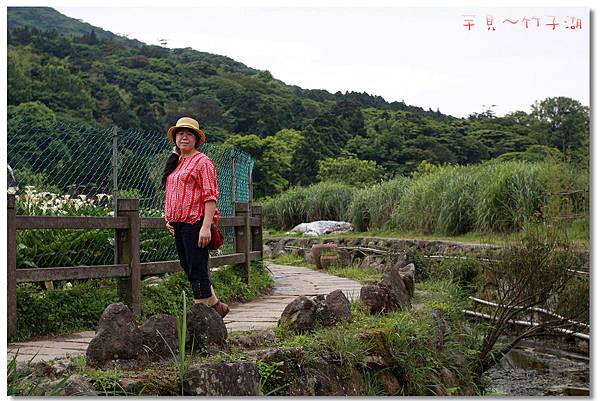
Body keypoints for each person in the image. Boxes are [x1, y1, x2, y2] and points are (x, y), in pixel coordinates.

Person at [162, 116, 229, 318]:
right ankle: (216, 307)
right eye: (180, 133)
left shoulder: (202, 162)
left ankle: (200, 313)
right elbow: (171, 192)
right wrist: (168, 218)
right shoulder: (176, 162)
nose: (184, 137)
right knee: (188, 266)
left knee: (197, 267)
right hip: (178, 224)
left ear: (196, 139)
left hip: (195, 223)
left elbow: (210, 196)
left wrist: (206, 227)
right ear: (175, 137)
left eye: (189, 134)